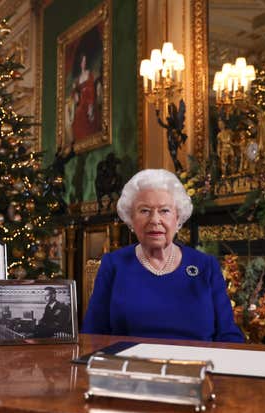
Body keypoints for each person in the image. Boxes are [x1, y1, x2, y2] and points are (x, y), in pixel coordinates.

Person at [82, 169, 244, 343]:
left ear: (178, 218)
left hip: (196, 367)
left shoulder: (206, 266)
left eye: (164, 211)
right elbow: (92, 334)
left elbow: (228, 334)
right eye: (144, 211)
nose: (155, 220)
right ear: (131, 219)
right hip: (130, 366)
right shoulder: (114, 264)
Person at [70, 53, 101, 141]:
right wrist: (75, 92)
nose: (84, 63)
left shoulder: (89, 74)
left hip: (89, 101)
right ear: (80, 63)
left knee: (86, 116)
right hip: (82, 102)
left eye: (85, 61)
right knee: (77, 117)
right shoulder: (78, 79)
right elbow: (75, 95)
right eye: (82, 61)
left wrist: (90, 106)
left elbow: (91, 90)